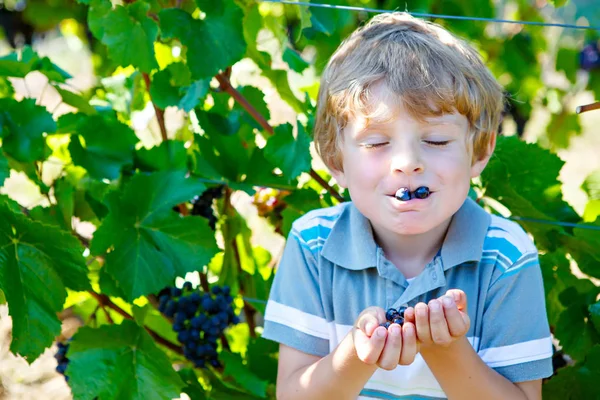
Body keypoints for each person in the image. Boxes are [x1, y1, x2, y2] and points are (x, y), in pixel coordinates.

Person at [262, 11, 553, 400]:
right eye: (377, 143)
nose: (407, 162)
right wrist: (356, 355)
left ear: (480, 150)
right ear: (335, 160)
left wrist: (446, 348)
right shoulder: (314, 245)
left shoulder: (506, 256)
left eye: (435, 141)